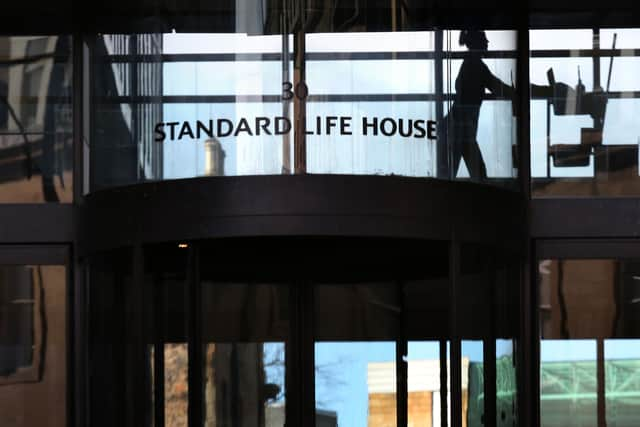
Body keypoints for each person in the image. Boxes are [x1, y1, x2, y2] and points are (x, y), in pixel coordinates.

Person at [443, 30, 516, 181]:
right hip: (462, 130)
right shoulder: (476, 66)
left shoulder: (470, 64)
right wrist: (518, 92)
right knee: (478, 175)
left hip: (458, 128)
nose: (487, 44)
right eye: (484, 41)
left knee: (451, 175)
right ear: (478, 44)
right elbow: (497, 86)